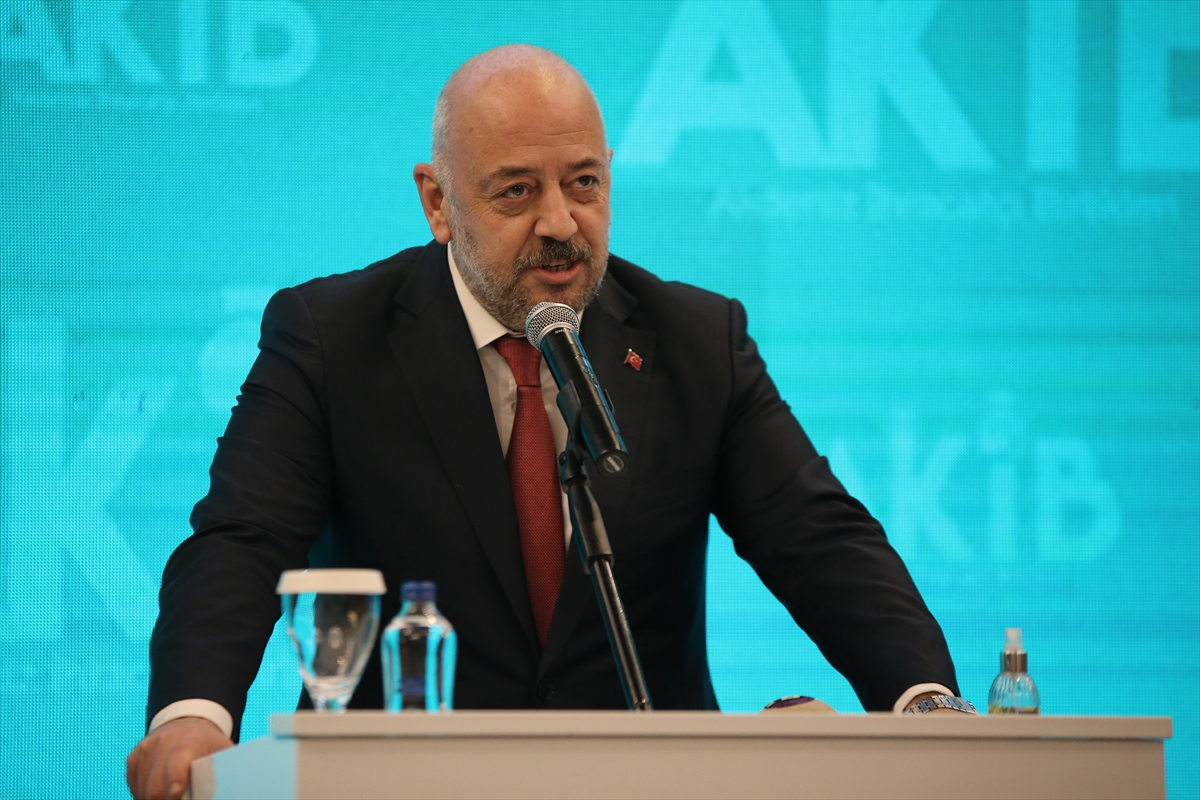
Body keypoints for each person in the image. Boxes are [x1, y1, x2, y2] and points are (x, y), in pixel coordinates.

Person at [126, 45, 968, 800]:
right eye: (517, 191)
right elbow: (241, 539)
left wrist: (923, 700)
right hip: (401, 785)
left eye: (584, 183)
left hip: (648, 786)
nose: (561, 224)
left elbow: (816, 535)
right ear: (438, 202)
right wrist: (194, 715)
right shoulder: (330, 338)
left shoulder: (694, 339)